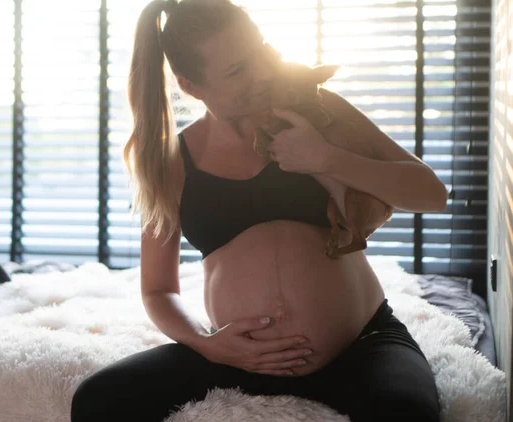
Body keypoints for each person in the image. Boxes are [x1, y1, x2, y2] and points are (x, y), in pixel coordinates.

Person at [71, 0, 447, 420]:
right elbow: (158, 290)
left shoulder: (319, 112)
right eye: (236, 71)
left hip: (360, 344)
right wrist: (207, 343)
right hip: (238, 358)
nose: (262, 75)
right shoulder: (171, 161)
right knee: (97, 400)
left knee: (407, 414)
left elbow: (431, 194)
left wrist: (325, 158)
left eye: (259, 53)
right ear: (191, 85)